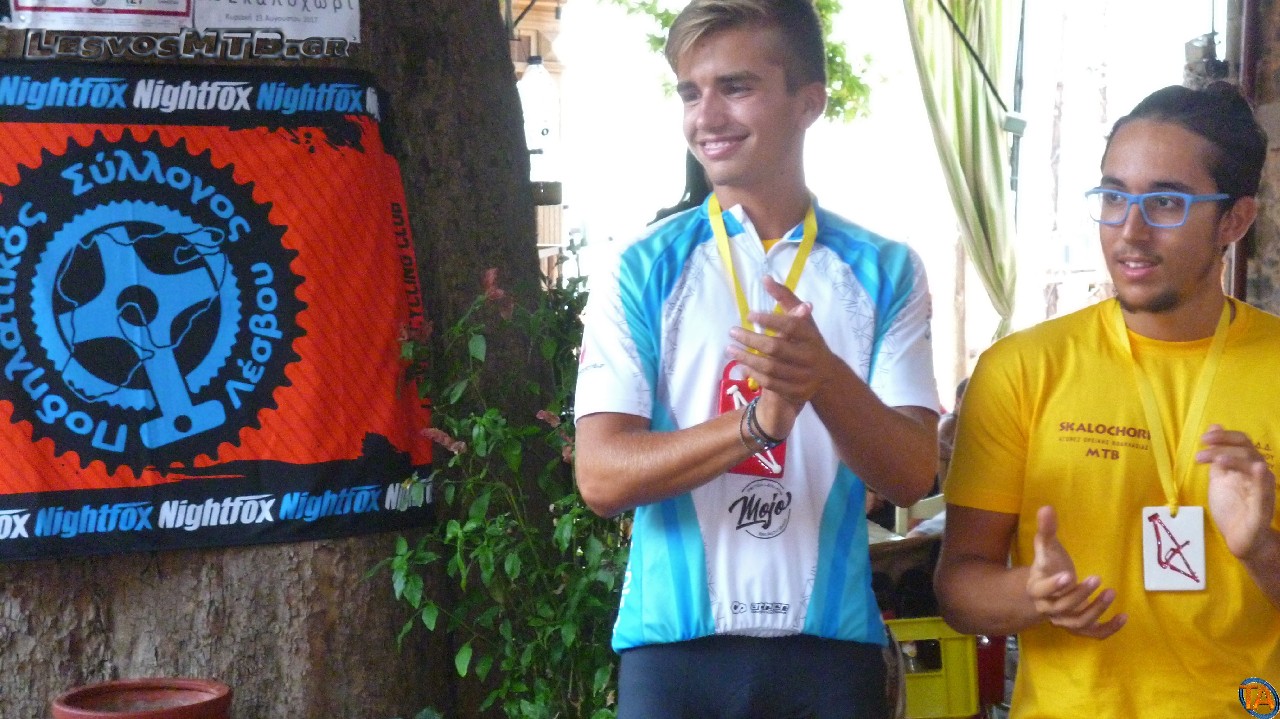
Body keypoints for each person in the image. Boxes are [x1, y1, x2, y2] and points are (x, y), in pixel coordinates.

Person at [572, 1, 940, 716]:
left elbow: (910, 472)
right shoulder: (641, 266)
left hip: (828, 650)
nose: (705, 116)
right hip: (673, 654)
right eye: (690, 92)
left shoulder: (887, 270)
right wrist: (756, 425)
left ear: (809, 102)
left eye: (735, 87)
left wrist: (824, 378)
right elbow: (601, 475)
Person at [936, 82, 1280, 718]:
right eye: (1114, 197)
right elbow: (959, 589)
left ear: (1234, 221)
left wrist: (1262, 550)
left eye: (1167, 202)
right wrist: (1032, 594)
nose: (1130, 231)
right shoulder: (1022, 369)